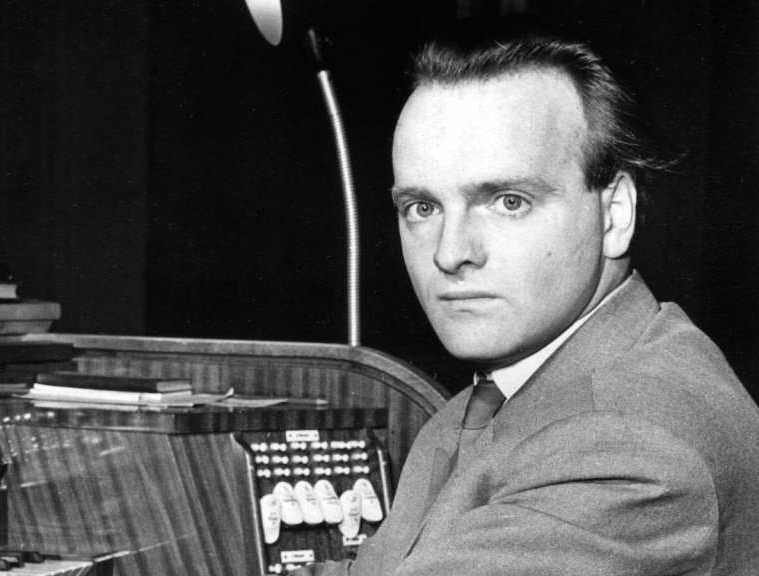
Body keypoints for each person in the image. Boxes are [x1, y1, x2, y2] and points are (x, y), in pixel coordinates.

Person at [294, 35, 759, 575]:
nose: (450, 253)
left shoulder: (632, 453)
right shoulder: (492, 396)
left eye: (508, 202)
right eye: (422, 207)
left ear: (615, 215)